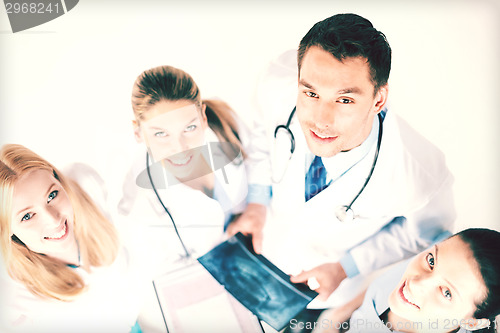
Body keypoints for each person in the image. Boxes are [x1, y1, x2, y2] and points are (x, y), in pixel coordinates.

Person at [227, 12, 456, 319]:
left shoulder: (421, 173)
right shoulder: (277, 83)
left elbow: (420, 237)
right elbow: (261, 132)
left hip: (325, 292)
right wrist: (256, 201)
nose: (321, 119)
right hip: (257, 252)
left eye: (344, 100)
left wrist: (346, 267)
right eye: (311, 94)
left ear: (378, 100)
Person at [117, 65, 253, 332]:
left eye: (189, 128)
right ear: (137, 132)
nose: (179, 148)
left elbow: (262, 174)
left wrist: (253, 212)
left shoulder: (228, 125)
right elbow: (156, 289)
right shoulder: (138, 208)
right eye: (160, 134)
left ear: (203, 116)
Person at [0, 144, 143, 333]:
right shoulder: (14, 297)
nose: (54, 220)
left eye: (52, 195)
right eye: (27, 216)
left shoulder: (85, 184)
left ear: (58, 179)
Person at [311, 228, 500, 333]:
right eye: (432, 261)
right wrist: (335, 317)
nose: (417, 283)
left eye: (447, 293)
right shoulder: (430, 256)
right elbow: (380, 288)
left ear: (472, 323)